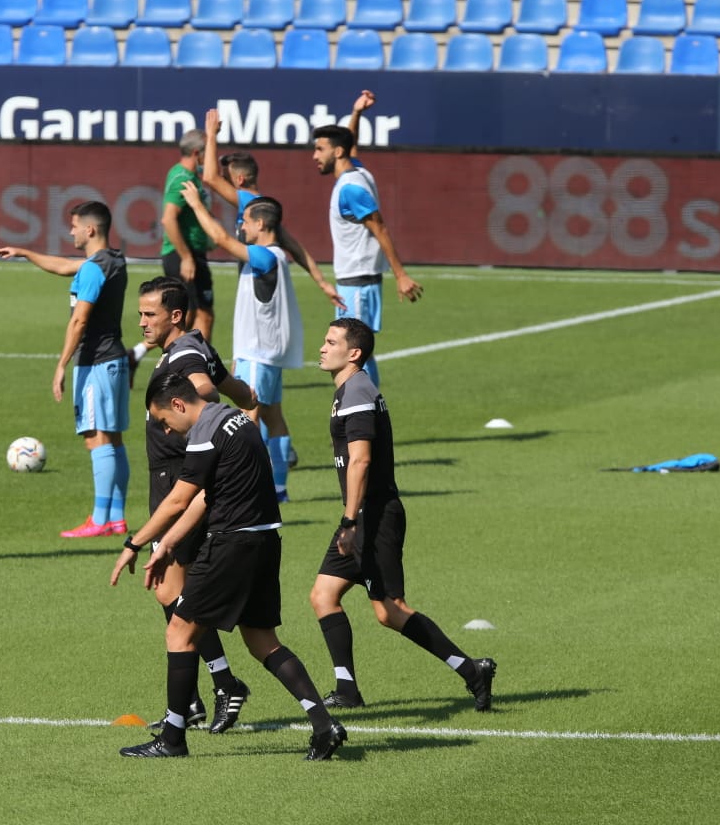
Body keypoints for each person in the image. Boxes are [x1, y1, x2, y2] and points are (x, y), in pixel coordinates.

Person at [110, 373, 346, 760]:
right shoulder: (237, 420)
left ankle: (172, 738)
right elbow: (205, 497)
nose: (167, 431)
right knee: (262, 641)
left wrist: (133, 544)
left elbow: (176, 501)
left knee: (179, 633)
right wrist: (167, 543)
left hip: (230, 544)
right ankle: (324, 725)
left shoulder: (205, 432)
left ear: (179, 404)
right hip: (265, 541)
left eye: (165, 421)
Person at [311, 317, 496, 711]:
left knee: (389, 610)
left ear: (354, 353)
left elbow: (360, 459)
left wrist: (349, 521)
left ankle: (472, 671)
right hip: (361, 515)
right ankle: (347, 689)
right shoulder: (349, 389)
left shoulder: (358, 391)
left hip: (372, 517)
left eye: (331, 342)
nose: (323, 348)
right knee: (324, 595)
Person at [133, 276, 258, 733]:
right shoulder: (195, 345)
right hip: (175, 479)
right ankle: (202, 695)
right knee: (172, 590)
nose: (143, 322)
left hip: (176, 482)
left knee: (174, 590)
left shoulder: (184, 356)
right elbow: (238, 391)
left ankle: (221, 685)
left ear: (176, 315)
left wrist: (205, 423)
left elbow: (206, 391)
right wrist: (248, 418)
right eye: (141, 314)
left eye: (150, 314)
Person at [201, 106, 346, 485]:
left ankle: (251, 482)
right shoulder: (265, 219)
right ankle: (279, 482)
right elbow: (295, 245)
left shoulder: (252, 205)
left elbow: (209, 177)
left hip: (259, 333)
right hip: (265, 319)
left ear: (243, 179)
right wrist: (320, 280)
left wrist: (211, 135)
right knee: (269, 411)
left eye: (232, 181)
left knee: (248, 411)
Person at [0, 202, 130, 539]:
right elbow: (65, 266)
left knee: (96, 438)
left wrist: (61, 364)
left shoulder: (93, 270)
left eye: (74, 226)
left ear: (90, 230)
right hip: (114, 359)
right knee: (112, 438)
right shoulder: (111, 261)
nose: (71, 231)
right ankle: (115, 518)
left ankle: (99, 520)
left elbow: (80, 319)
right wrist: (25, 252)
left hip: (96, 362)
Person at [177, 182, 301, 504]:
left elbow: (219, 239)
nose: (240, 226)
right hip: (260, 352)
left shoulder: (263, 256)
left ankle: (251, 489)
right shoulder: (274, 256)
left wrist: (196, 205)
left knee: (249, 421)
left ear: (260, 224)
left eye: (245, 221)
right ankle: (278, 489)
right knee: (274, 418)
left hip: (259, 355)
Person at [313, 91, 423, 388]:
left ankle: (367, 413)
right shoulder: (358, 172)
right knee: (355, 354)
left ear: (336, 153)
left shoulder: (351, 188)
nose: (315, 155)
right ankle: (367, 413)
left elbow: (380, 228)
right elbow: (349, 142)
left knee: (352, 356)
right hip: (354, 282)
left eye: (320, 149)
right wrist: (357, 112)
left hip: (358, 284)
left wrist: (401, 275)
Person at [126, 129, 216, 379]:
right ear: (197, 152)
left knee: (192, 317)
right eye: (208, 152)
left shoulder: (187, 175)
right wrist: (186, 256)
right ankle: (195, 373)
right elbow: (168, 219)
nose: (212, 158)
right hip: (184, 256)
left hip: (191, 253)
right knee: (199, 317)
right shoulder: (182, 178)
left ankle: (136, 354)